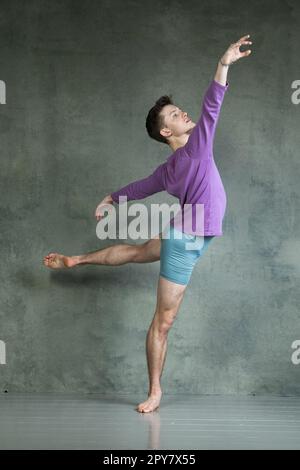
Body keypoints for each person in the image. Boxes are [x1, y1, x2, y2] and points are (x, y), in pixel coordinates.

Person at [43, 35, 252, 413]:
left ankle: (77, 260)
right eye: (174, 115)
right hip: (185, 238)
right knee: (163, 322)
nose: (183, 114)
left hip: (188, 233)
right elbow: (213, 104)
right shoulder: (197, 147)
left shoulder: (168, 170)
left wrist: (112, 198)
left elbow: (141, 187)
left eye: (179, 110)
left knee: (139, 252)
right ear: (166, 133)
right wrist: (223, 63)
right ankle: (155, 391)